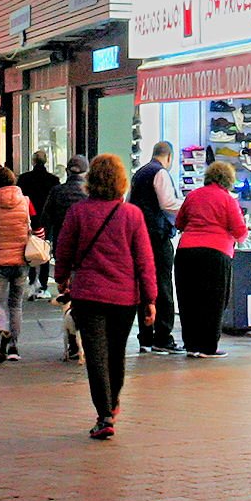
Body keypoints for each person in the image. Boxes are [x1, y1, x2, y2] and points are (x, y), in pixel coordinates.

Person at [54, 154, 156, 441]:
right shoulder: (132, 215)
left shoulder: (78, 213)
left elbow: (64, 248)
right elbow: (144, 260)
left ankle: (105, 414)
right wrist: (150, 299)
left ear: (91, 180)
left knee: (96, 356)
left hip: (88, 295)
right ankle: (112, 403)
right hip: (124, 298)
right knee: (116, 353)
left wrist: (61, 278)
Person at [174, 160, 248, 359]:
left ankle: (191, 344)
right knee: (213, 301)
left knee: (189, 300)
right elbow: (240, 230)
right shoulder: (228, 200)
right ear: (228, 180)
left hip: (186, 252)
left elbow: (180, 222)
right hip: (216, 254)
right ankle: (207, 346)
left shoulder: (193, 195)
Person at [128, 141, 184, 352]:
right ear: (169, 157)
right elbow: (167, 203)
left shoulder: (139, 173)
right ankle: (163, 336)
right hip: (157, 236)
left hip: (139, 236)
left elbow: (130, 202)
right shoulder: (160, 173)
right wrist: (188, 205)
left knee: (144, 286)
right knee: (162, 285)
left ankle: (145, 336)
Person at [37, 156, 90, 362]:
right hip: (85, 252)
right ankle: (84, 341)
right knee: (84, 298)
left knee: (68, 296)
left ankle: (72, 344)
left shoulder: (57, 191)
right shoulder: (89, 194)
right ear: (85, 172)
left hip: (63, 247)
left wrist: (47, 241)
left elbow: (45, 218)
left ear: (68, 171)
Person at [0, 166, 33, 363]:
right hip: (21, 260)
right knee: (16, 305)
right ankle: (14, 347)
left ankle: (2, 331)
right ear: (13, 180)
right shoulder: (26, 202)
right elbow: (38, 230)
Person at [19, 151, 60, 297]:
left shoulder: (24, 179)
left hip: (28, 218)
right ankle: (43, 283)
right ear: (46, 161)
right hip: (46, 220)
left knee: (29, 248)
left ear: (33, 161)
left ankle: (31, 280)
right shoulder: (53, 180)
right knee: (44, 250)